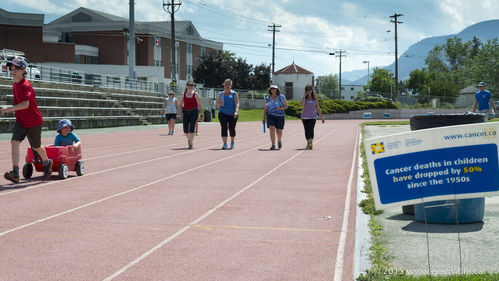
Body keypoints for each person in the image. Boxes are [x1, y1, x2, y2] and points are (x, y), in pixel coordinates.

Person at [1, 56, 53, 182]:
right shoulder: (15, 85)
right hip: (21, 121)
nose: (12, 71)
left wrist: (7, 109)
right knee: (14, 142)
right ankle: (15, 172)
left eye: (15, 69)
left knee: (36, 147)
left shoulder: (25, 85)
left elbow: (25, 104)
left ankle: (47, 163)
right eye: (11, 69)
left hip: (34, 121)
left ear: (23, 70)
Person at [177, 81, 203, 149]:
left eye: (191, 85)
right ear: (186, 86)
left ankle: (191, 143)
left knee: (192, 128)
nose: (190, 86)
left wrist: (201, 114)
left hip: (194, 112)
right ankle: (189, 139)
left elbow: (199, 105)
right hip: (185, 112)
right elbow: (180, 104)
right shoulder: (183, 94)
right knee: (185, 130)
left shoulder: (195, 94)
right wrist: (179, 113)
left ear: (193, 86)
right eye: (189, 85)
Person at [262, 84, 288, 150]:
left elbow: (286, 106)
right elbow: (265, 108)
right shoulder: (267, 98)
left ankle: (279, 140)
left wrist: (280, 108)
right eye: (272, 89)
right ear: (270, 90)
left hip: (280, 116)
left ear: (277, 90)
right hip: (270, 115)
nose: (273, 90)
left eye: (274, 89)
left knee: (279, 131)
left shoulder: (281, 97)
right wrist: (264, 118)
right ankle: (273, 144)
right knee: (272, 128)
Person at [217, 79, 240, 149]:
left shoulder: (234, 94)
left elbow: (237, 103)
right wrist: (220, 104)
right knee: (224, 127)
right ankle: (224, 144)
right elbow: (217, 106)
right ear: (224, 85)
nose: (227, 86)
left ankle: (232, 142)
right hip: (222, 113)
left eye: (228, 84)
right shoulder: (221, 94)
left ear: (231, 85)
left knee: (231, 129)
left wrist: (236, 111)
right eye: (226, 84)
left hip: (232, 114)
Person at [301, 84, 325, 150]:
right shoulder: (304, 98)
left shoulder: (315, 99)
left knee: (310, 129)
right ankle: (308, 143)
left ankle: (311, 142)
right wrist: (303, 96)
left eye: (310, 89)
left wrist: (322, 117)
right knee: (306, 130)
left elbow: (317, 107)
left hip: (313, 117)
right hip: (304, 117)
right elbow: (302, 105)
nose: (308, 91)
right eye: (307, 90)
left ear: (312, 90)